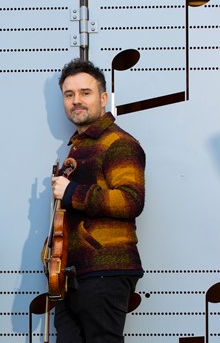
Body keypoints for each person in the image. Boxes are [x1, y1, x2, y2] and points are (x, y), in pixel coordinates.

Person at [51, 58, 145, 343]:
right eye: (69, 95)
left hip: (105, 269)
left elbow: (131, 201)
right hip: (73, 273)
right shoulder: (78, 146)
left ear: (103, 98)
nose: (76, 101)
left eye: (85, 93)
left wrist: (71, 192)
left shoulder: (119, 143)